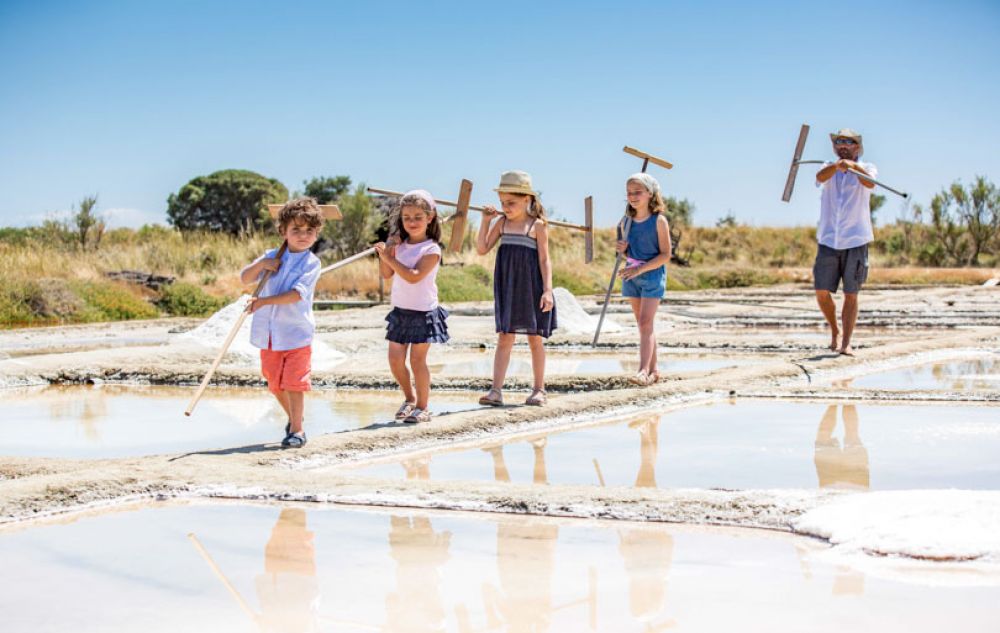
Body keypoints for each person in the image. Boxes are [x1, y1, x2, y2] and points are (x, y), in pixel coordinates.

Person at [241, 197, 324, 448]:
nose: (303, 235)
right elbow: (245, 278)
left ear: (316, 233)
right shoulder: (271, 255)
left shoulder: (312, 263)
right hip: (269, 333)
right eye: (296, 230)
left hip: (296, 333)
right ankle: (293, 419)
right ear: (283, 231)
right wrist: (261, 265)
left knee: (294, 383)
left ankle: (297, 431)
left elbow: (296, 295)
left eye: (309, 231)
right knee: (274, 383)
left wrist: (264, 302)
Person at [475, 170, 556, 407]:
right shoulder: (501, 223)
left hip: (532, 287)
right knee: (505, 337)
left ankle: (539, 389)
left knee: (534, 338)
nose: (506, 207)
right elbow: (482, 248)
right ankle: (496, 391)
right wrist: (485, 221)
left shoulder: (537, 226)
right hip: (508, 286)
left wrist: (548, 290)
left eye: (510, 203)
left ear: (526, 200)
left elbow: (544, 260)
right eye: (502, 203)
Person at [374, 190, 449, 424]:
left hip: (424, 312)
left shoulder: (432, 249)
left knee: (417, 361)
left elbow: (413, 276)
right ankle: (409, 398)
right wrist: (386, 253)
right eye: (407, 217)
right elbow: (386, 274)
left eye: (418, 216)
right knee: (395, 360)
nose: (412, 222)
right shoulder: (399, 246)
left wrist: (389, 258)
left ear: (430, 217)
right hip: (400, 311)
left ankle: (423, 406)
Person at [814, 128, 878, 356]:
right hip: (829, 238)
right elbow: (820, 177)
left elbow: (870, 183)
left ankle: (846, 344)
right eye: (839, 142)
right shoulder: (826, 167)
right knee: (821, 290)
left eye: (848, 142)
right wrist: (837, 166)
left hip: (856, 238)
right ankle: (834, 331)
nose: (843, 145)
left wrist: (853, 167)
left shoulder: (868, 168)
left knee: (851, 292)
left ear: (857, 147)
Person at [617, 173, 672, 385]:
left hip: (651, 275)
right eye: (629, 193)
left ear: (650, 193)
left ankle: (642, 371)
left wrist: (640, 270)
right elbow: (627, 253)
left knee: (645, 321)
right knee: (643, 326)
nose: (632, 196)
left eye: (637, 192)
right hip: (631, 275)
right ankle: (654, 370)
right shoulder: (625, 222)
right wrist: (623, 250)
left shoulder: (659, 221)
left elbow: (665, 255)